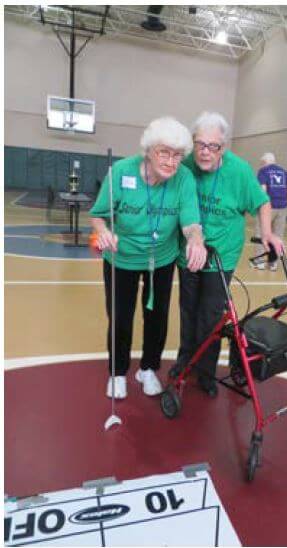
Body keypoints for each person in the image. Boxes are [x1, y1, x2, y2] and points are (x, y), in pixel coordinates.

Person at [90, 117, 206, 399]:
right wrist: (104, 232)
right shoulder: (120, 172)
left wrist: (196, 240)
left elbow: (191, 220)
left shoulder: (184, 179)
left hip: (161, 259)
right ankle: (117, 373)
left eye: (178, 155)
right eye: (164, 153)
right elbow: (98, 216)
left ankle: (148, 369)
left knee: (157, 316)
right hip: (122, 258)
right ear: (148, 151)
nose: (171, 161)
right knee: (120, 317)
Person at [171, 112, 283, 397]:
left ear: (224, 147)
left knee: (210, 317)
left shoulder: (240, 171)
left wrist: (268, 233)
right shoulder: (185, 166)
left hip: (222, 257)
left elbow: (262, 201)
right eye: (200, 145)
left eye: (214, 146)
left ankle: (206, 373)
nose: (206, 152)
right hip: (188, 254)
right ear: (193, 143)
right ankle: (185, 361)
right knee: (188, 312)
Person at [253, 152, 287, 271]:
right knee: (278, 235)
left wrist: (262, 205)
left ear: (264, 162)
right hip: (282, 207)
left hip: (268, 207)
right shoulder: (283, 171)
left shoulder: (263, 171)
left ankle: (259, 262)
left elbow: (263, 188)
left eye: (261, 163)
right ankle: (273, 263)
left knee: (261, 233)